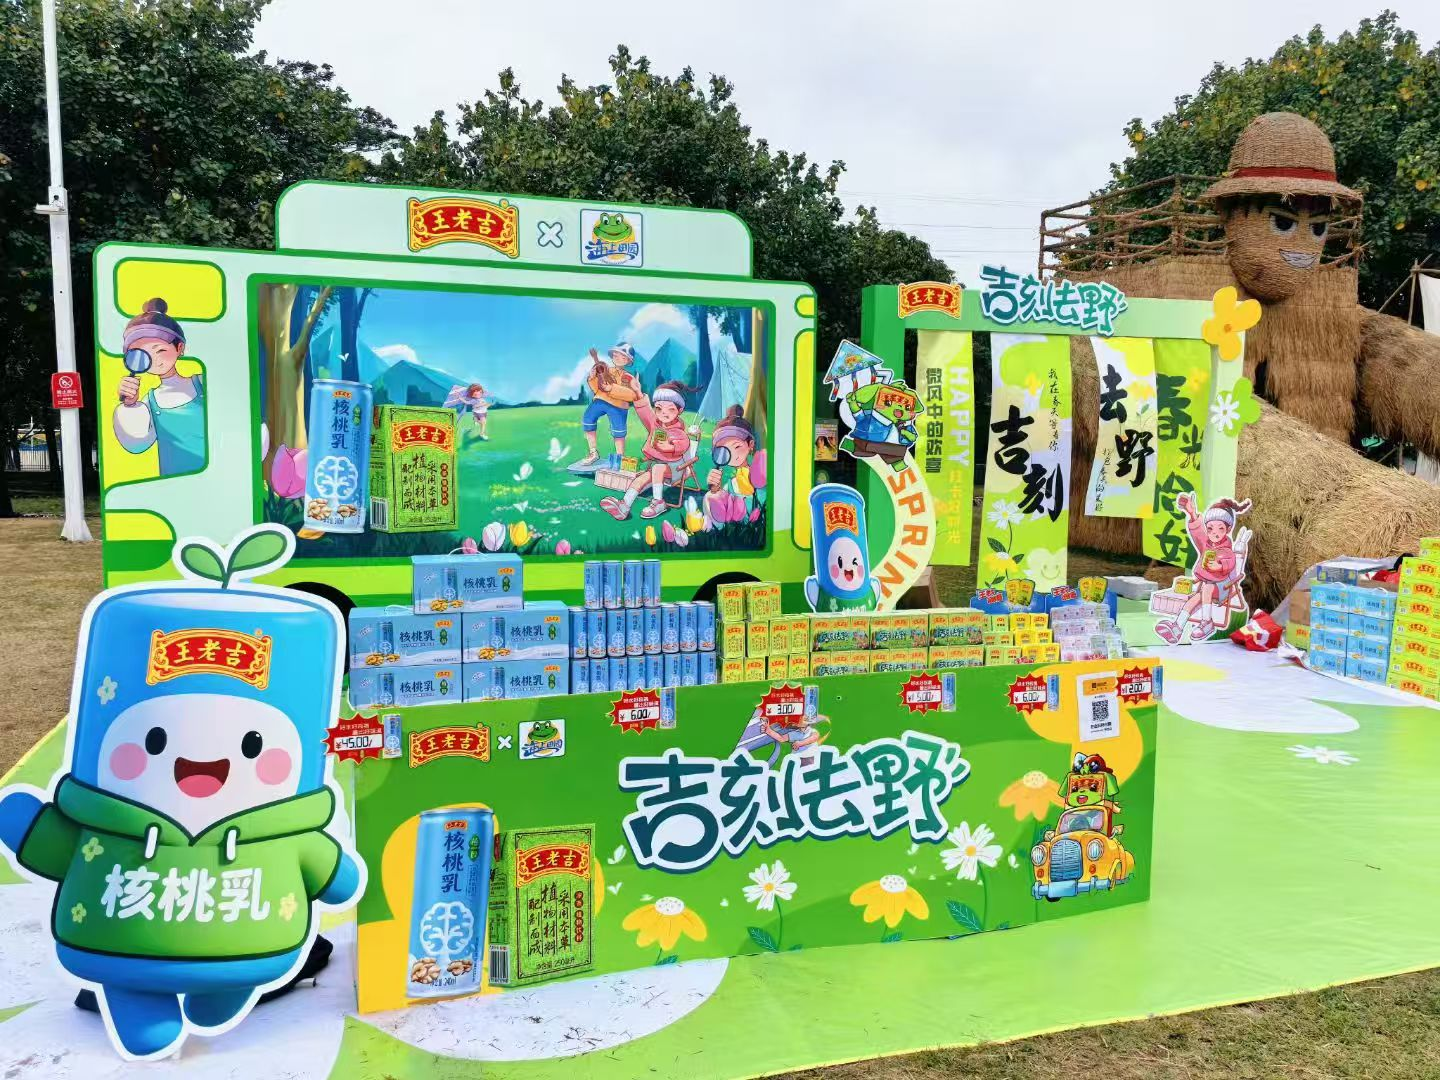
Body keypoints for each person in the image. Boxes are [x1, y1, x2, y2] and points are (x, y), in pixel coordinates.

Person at [113, 298, 206, 476]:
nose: (153, 359)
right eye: (142, 354)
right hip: (172, 481)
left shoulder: (202, 384)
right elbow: (137, 443)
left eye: (160, 350)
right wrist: (129, 405)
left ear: (180, 348)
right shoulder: (151, 401)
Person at [1157, 492, 1252, 644]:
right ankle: (1177, 627)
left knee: (1206, 588)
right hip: (1206, 586)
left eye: (1220, 529)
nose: (1215, 533)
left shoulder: (1227, 550)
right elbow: (1198, 533)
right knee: (1193, 599)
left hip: (1223, 587)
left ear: (1228, 529)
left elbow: (1230, 562)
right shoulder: (1206, 545)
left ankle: (1207, 622)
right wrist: (1192, 513)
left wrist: (1219, 566)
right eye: (1210, 529)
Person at [601, 380, 695, 521]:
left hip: (677, 469)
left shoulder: (679, 433)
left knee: (657, 468)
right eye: (659, 409)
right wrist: (638, 392)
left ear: (679, 410)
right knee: (640, 479)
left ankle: (658, 503)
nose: (663, 413)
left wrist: (671, 447)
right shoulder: (655, 425)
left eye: (670, 409)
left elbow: (684, 445)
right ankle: (624, 506)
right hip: (658, 468)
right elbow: (645, 411)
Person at [570, 343, 642, 473]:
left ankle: (620, 457)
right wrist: (592, 378)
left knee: (619, 430)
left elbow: (632, 395)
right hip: (601, 399)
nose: (617, 358)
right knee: (588, 418)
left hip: (619, 405)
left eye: (622, 357)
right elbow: (597, 389)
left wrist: (612, 389)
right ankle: (593, 452)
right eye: (615, 355)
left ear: (628, 361)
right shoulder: (605, 370)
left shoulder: (628, 377)